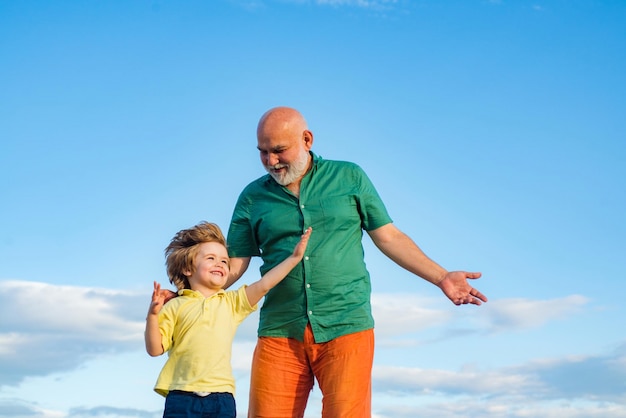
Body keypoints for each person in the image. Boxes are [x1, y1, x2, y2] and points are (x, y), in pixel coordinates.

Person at [225, 106, 488, 418]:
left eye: (279, 150)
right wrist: (185, 293)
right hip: (279, 331)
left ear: (307, 139)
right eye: (263, 152)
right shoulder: (252, 197)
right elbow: (234, 264)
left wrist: (441, 276)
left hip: (346, 326)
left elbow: (389, 237)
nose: (271, 161)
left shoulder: (349, 177)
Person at [145, 221, 312, 418]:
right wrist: (153, 316)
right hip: (181, 397)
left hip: (221, 397)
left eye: (224, 261)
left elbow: (265, 284)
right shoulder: (174, 306)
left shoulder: (232, 303)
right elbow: (155, 349)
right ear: (188, 268)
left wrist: (294, 258)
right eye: (211, 258)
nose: (220, 263)